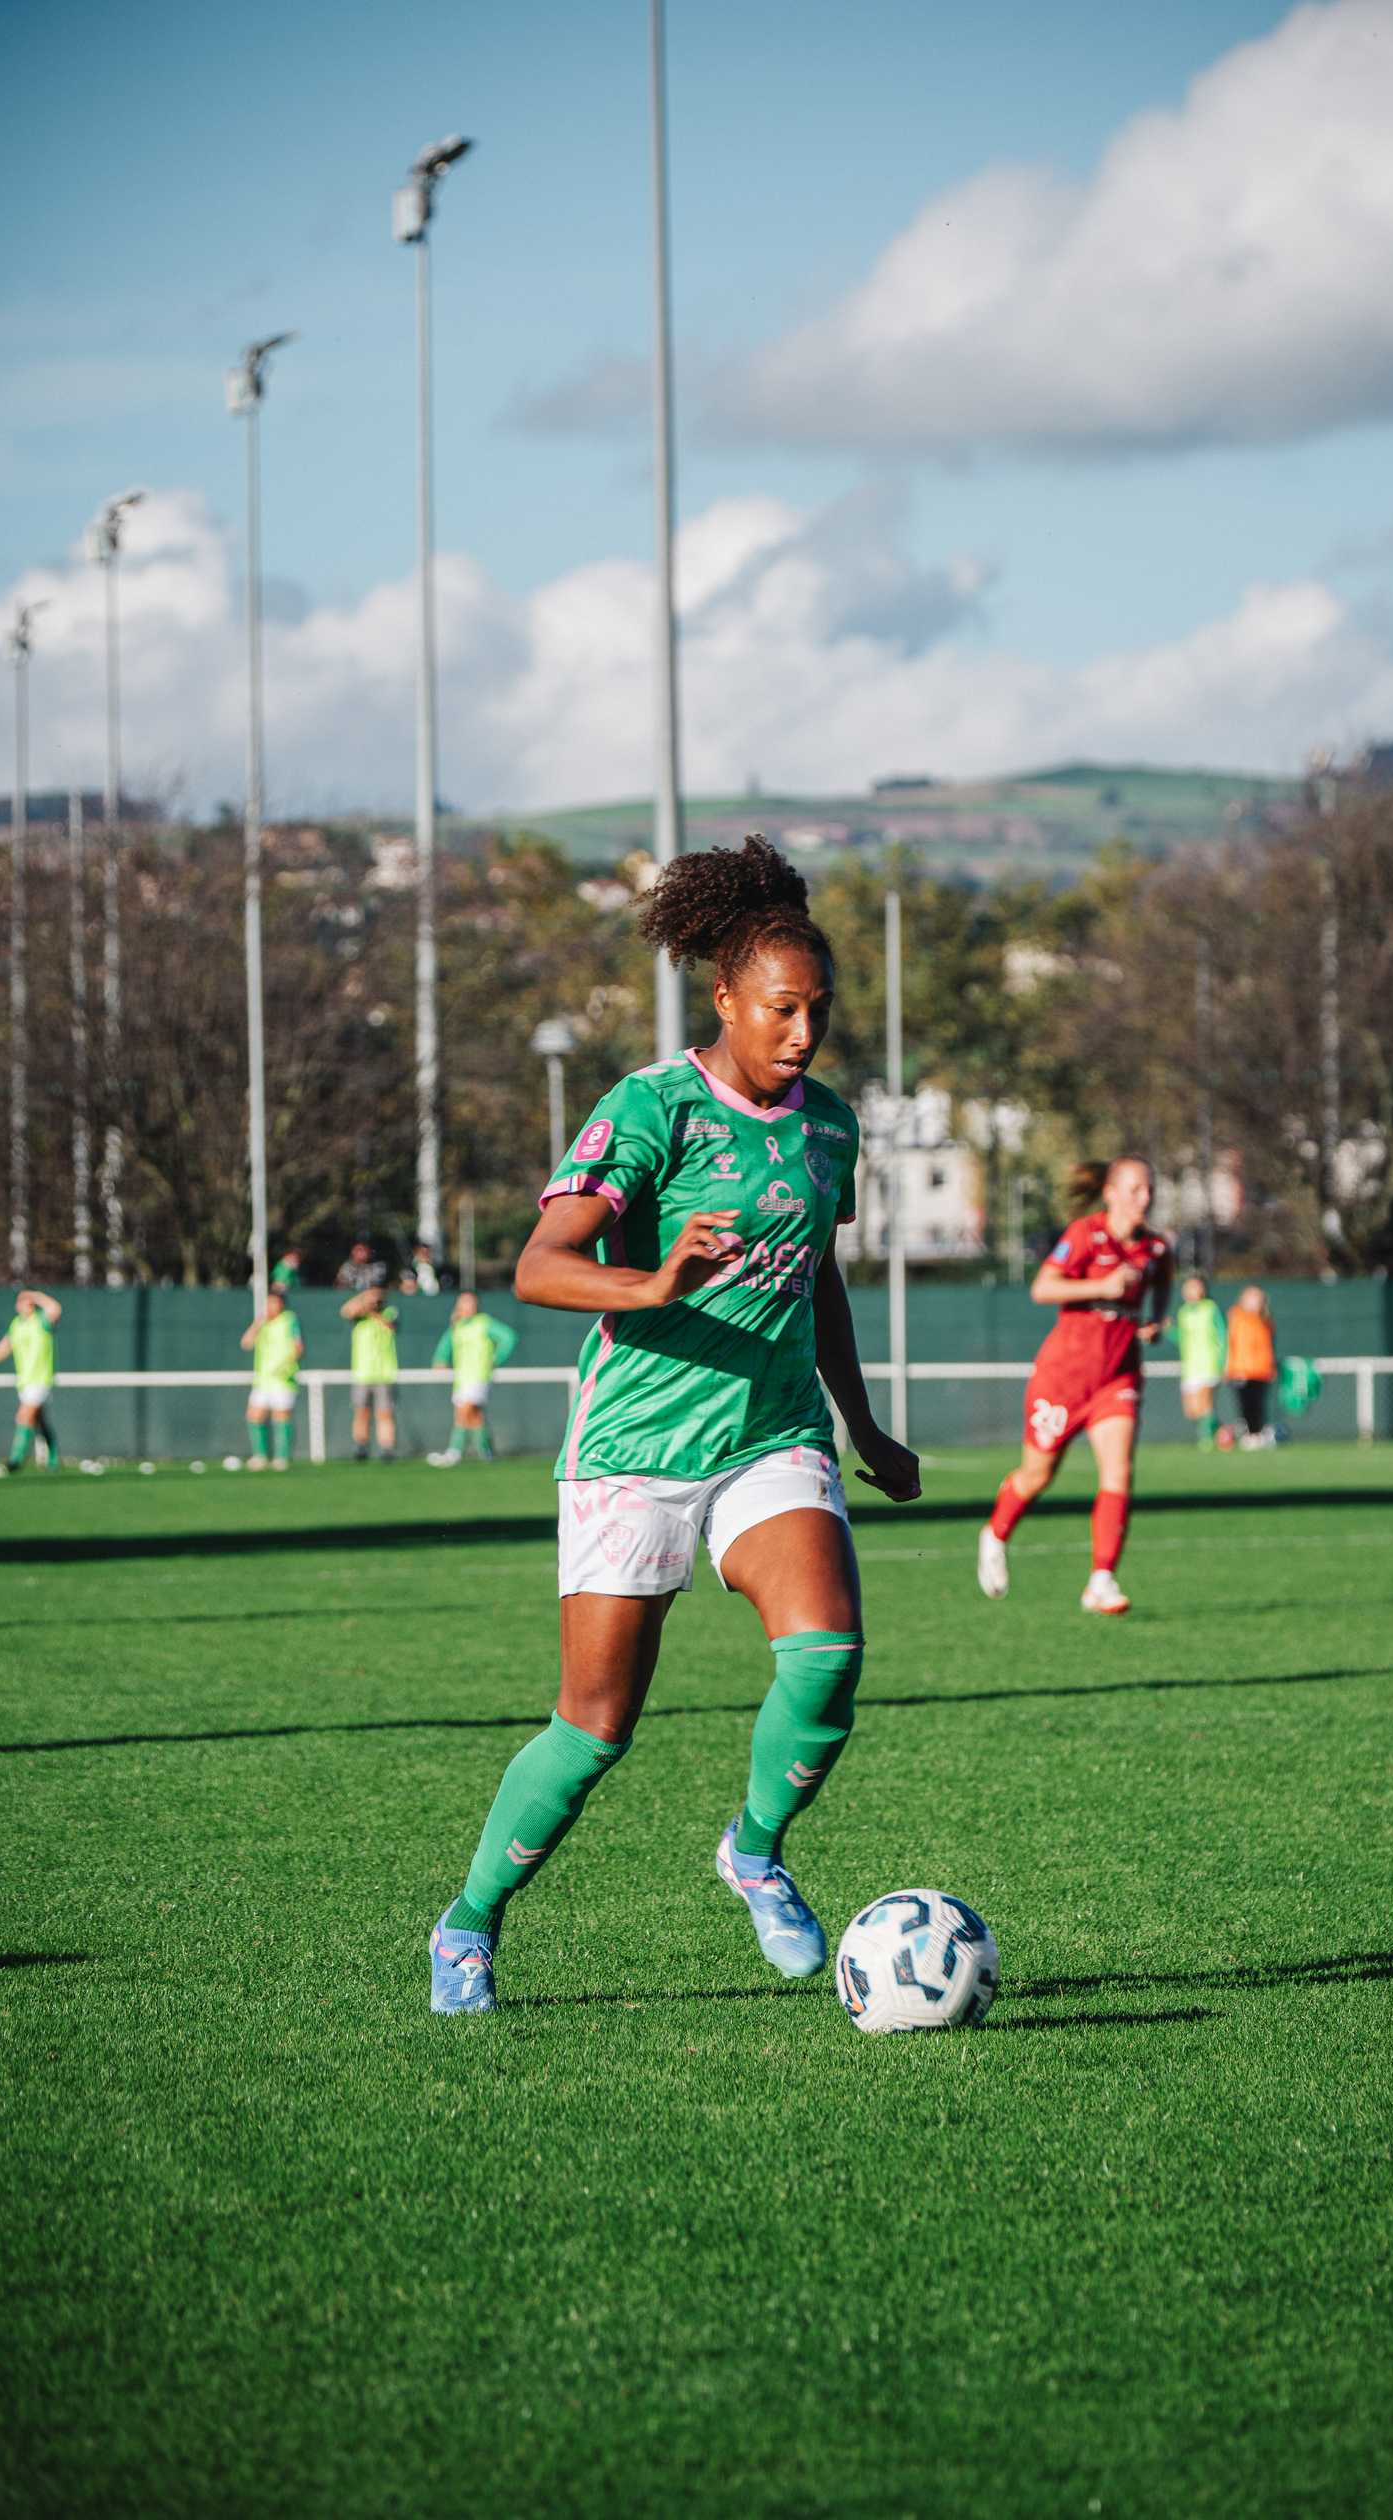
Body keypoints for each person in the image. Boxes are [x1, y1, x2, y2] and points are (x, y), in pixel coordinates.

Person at [428, 835, 920, 2016]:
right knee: (595, 1730)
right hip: (635, 1449)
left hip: (773, 1433)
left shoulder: (829, 1128)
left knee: (827, 1657)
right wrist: (650, 1283)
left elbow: (823, 1279)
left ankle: (753, 1850)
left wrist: (864, 1420)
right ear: (726, 1002)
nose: (802, 1034)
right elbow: (541, 1265)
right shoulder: (651, 1107)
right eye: (780, 1010)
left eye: (819, 1011)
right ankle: (468, 1924)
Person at [977, 1156, 1171, 1615]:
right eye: (1135, 1189)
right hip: (1064, 1377)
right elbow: (1043, 1288)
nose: (1145, 1198)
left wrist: (1155, 1322)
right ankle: (996, 1533)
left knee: (1118, 1471)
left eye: (1149, 1190)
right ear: (1111, 1192)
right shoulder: (1087, 1234)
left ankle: (1101, 1580)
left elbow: (1162, 1287)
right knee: (1037, 1476)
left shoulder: (1157, 1248)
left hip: (1117, 1377)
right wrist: (1101, 1286)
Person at [429, 1293, 518, 1464]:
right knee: (473, 1416)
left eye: (472, 1303)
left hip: (479, 1376)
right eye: (465, 1303)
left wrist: (495, 1358)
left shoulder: (484, 1323)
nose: (469, 1307)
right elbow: (445, 1345)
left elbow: (509, 1337)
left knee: (465, 1412)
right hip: (462, 1378)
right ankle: (487, 1453)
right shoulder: (457, 1326)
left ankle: (453, 1453)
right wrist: (440, 1359)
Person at [0, 1290, 63, 1473]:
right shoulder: (16, 1325)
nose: (28, 1305)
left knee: (24, 1416)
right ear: (17, 1305)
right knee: (39, 1420)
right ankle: (53, 1457)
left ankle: (15, 1461)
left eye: (30, 1302)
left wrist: (36, 1295)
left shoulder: (42, 1320)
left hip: (40, 1379)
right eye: (24, 1301)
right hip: (24, 1382)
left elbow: (55, 1308)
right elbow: (4, 1348)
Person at [240, 1287, 303, 1470]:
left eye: (273, 1302)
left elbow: (298, 1347)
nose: (270, 1306)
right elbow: (246, 1343)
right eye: (268, 1302)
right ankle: (260, 1456)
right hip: (263, 1380)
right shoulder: (263, 1323)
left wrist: (287, 1365)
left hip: (283, 1379)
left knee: (281, 1417)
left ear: (281, 1304)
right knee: (254, 1415)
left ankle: (282, 1458)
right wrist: (258, 1323)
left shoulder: (289, 1319)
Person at [341, 1286, 400, 1460]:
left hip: (384, 1374)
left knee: (384, 1413)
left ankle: (387, 1449)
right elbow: (345, 1311)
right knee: (361, 1412)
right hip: (362, 1374)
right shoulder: (359, 1317)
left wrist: (372, 1309)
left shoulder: (389, 1312)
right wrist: (363, 1298)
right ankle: (361, 1447)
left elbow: (390, 1325)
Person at [1174, 1272, 1227, 1449]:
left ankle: (1206, 1440)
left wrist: (1223, 1362)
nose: (1191, 1290)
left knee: (1205, 1405)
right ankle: (1223, 1432)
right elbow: (1182, 1338)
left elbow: (1222, 1335)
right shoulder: (1183, 1312)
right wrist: (1167, 1330)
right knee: (1192, 1411)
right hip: (1190, 1367)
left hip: (1209, 1364)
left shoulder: (1210, 1308)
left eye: (1195, 1286)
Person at [1227, 1285, 1277, 1448]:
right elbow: (1231, 1342)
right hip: (1242, 1369)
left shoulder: (1266, 1320)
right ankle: (1249, 1435)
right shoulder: (1236, 1317)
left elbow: (1269, 1345)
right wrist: (1229, 1366)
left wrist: (1272, 1366)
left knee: (1258, 1404)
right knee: (1246, 1404)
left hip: (1262, 1370)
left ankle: (1258, 1434)